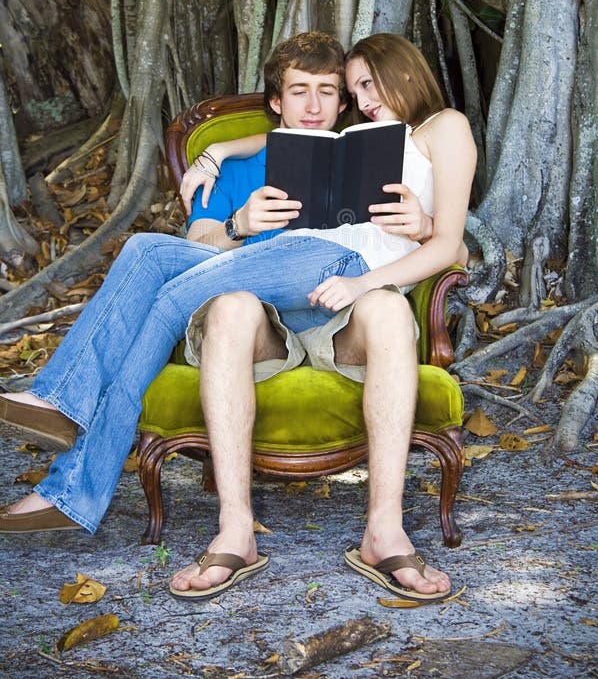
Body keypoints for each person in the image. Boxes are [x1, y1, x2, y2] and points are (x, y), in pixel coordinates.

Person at [0, 31, 474, 604]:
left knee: (168, 295)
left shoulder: (444, 126)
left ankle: (68, 424)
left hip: (344, 269)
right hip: (307, 270)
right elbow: (278, 141)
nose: (361, 99)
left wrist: (398, 249)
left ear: (405, 71)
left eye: (359, 86)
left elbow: (452, 245)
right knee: (146, 252)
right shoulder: (361, 137)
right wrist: (218, 151)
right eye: (357, 89)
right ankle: (69, 452)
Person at [164, 32, 475, 603]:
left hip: (346, 308)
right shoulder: (235, 167)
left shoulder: (358, 151)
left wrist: (428, 227)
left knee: (384, 308)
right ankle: (235, 531)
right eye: (300, 92)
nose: (317, 105)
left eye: (334, 92)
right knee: (230, 308)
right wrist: (233, 207)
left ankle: (385, 530)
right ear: (276, 101)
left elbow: (454, 247)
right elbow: (198, 247)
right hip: (266, 314)